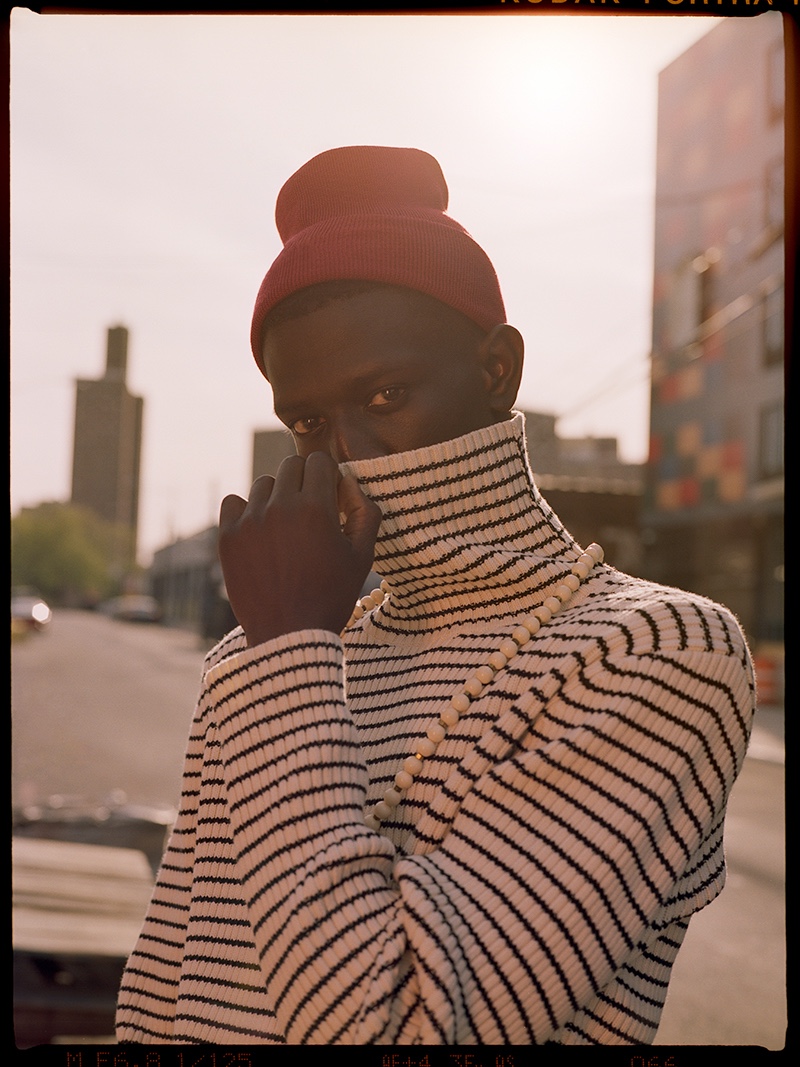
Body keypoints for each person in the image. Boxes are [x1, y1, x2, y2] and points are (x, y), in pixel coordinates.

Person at [116, 146, 755, 1046]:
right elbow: (164, 989)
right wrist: (287, 643)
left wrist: (294, 649)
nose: (348, 452)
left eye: (387, 392)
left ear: (498, 370)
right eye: (306, 421)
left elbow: (397, 1031)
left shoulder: (658, 651)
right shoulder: (260, 654)